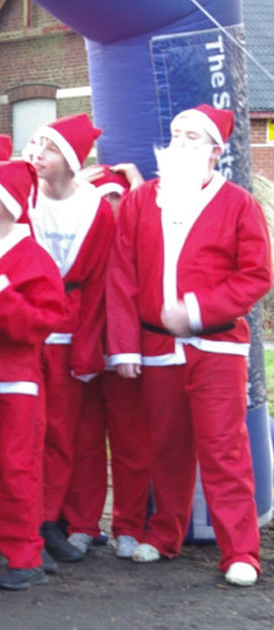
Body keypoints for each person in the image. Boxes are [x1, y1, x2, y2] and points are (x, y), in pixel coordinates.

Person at [108, 104, 270, 586]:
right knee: (167, 446)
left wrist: (198, 310)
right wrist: (125, 347)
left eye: (191, 138)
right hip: (156, 349)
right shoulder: (141, 202)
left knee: (224, 450)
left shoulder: (238, 204)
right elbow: (122, 275)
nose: (178, 144)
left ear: (216, 153)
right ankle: (164, 534)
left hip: (217, 348)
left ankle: (240, 550)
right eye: (175, 135)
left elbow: (257, 275)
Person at [0, 160, 65, 588]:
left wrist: (0, 293)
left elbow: (43, 323)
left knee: (18, 467)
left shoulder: (35, 258)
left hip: (18, 380)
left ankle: (25, 556)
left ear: (12, 202)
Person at [23, 113, 114, 565]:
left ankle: (49, 521)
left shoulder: (96, 208)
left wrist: (89, 345)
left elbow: (100, 283)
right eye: (36, 143)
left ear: (73, 161)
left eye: (51, 147)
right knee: (26, 428)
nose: (38, 153)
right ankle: (22, 520)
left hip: (69, 325)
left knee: (60, 430)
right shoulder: (20, 197)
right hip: (25, 324)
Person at [61, 163, 151, 559]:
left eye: (116, 197)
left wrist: (137, 187)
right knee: (84, 442)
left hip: (127, 355)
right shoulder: (79, 238)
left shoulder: (138, 235)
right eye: (102, 197)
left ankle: (128, 525)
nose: (109, 205)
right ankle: (83, 524)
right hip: (84, 351)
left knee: (131, 443)